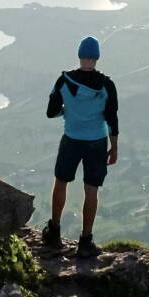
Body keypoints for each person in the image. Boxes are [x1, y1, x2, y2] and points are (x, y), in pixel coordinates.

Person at [41, 35, 119, 259]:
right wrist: (114, 147)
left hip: (71, 139)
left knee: (61, 183)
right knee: (91, 190)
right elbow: (112, 118)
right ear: (96, 58)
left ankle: (54, 232)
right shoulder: (106, 85)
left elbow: (51, 112)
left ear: (79, 55)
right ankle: (86, 241)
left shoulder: (64, 81)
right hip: (97, 142)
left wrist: (69, 110)